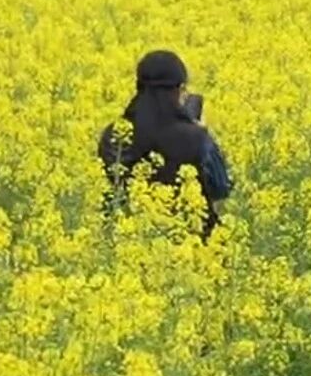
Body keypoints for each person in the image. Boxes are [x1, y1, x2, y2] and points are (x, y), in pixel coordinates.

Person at [98, 50, 232, 237]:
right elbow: (221, 188)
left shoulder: (113, 135)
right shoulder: (197, 138)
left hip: (127, 240)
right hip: (192, 248)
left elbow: (105, 188)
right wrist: (201, 132)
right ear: (178, 89)